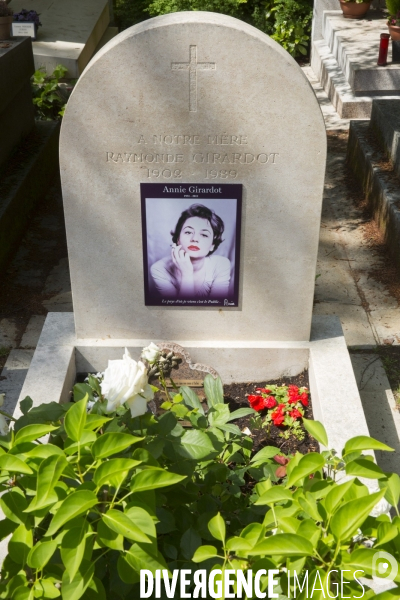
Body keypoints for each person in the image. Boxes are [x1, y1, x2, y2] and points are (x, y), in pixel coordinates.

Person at [150, 204, 231, 300]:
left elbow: (217, 307)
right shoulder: (159, 269)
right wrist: (186, 273)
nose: (195, 239)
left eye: (204, 235)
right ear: (178, 239)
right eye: (188, 232)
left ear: (212, 245)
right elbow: (179, 311)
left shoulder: (221, 264)